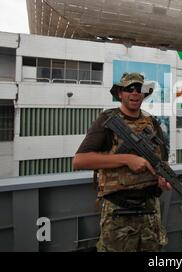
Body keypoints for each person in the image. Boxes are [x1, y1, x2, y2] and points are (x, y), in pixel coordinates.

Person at [73, 72, 172, 252]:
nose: (135, 93)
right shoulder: (107, 121)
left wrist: (162, 177)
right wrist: (127, 159)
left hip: (150, 210)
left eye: (139, 89)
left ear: (144, 94)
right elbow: (80, 161)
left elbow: (162, 161)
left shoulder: (152, 123)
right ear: (120, 94)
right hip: (118, 211)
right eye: (129, 89)